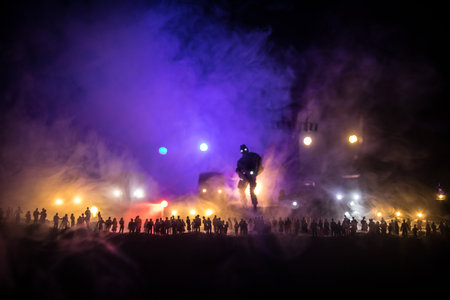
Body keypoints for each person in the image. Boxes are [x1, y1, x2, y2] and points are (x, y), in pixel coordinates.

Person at [236, 144, 263, 211]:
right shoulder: (240, 161)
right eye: (242, 150)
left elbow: (260, 162)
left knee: (251, 190)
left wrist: (255, 172)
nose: (244, 152)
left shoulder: (253, 156)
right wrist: (240, 174)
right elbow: (237, 169)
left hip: (251, 177)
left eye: (244, 150)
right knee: (241, 189)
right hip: (245, 177)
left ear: (247, 149)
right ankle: (244, 204)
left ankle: (254, 205)